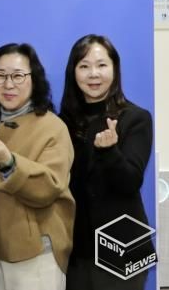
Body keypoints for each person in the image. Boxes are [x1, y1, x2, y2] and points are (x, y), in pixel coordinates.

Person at [0, 43, 75, 290]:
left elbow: (49, 187)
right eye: (0, 76)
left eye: (18, 76)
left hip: (36, 250)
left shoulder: (52, 127)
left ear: (34, 79)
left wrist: (8, 161)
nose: (8, 84)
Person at [60, 34, 154, 290]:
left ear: (114, 68)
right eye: (84, 66)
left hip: (123, 246)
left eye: (102, 65)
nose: (94, 74)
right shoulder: (62, 123)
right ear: (73, 72)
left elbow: (130, 182)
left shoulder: (136, 118)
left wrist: (110, 151)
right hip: (76, 251)